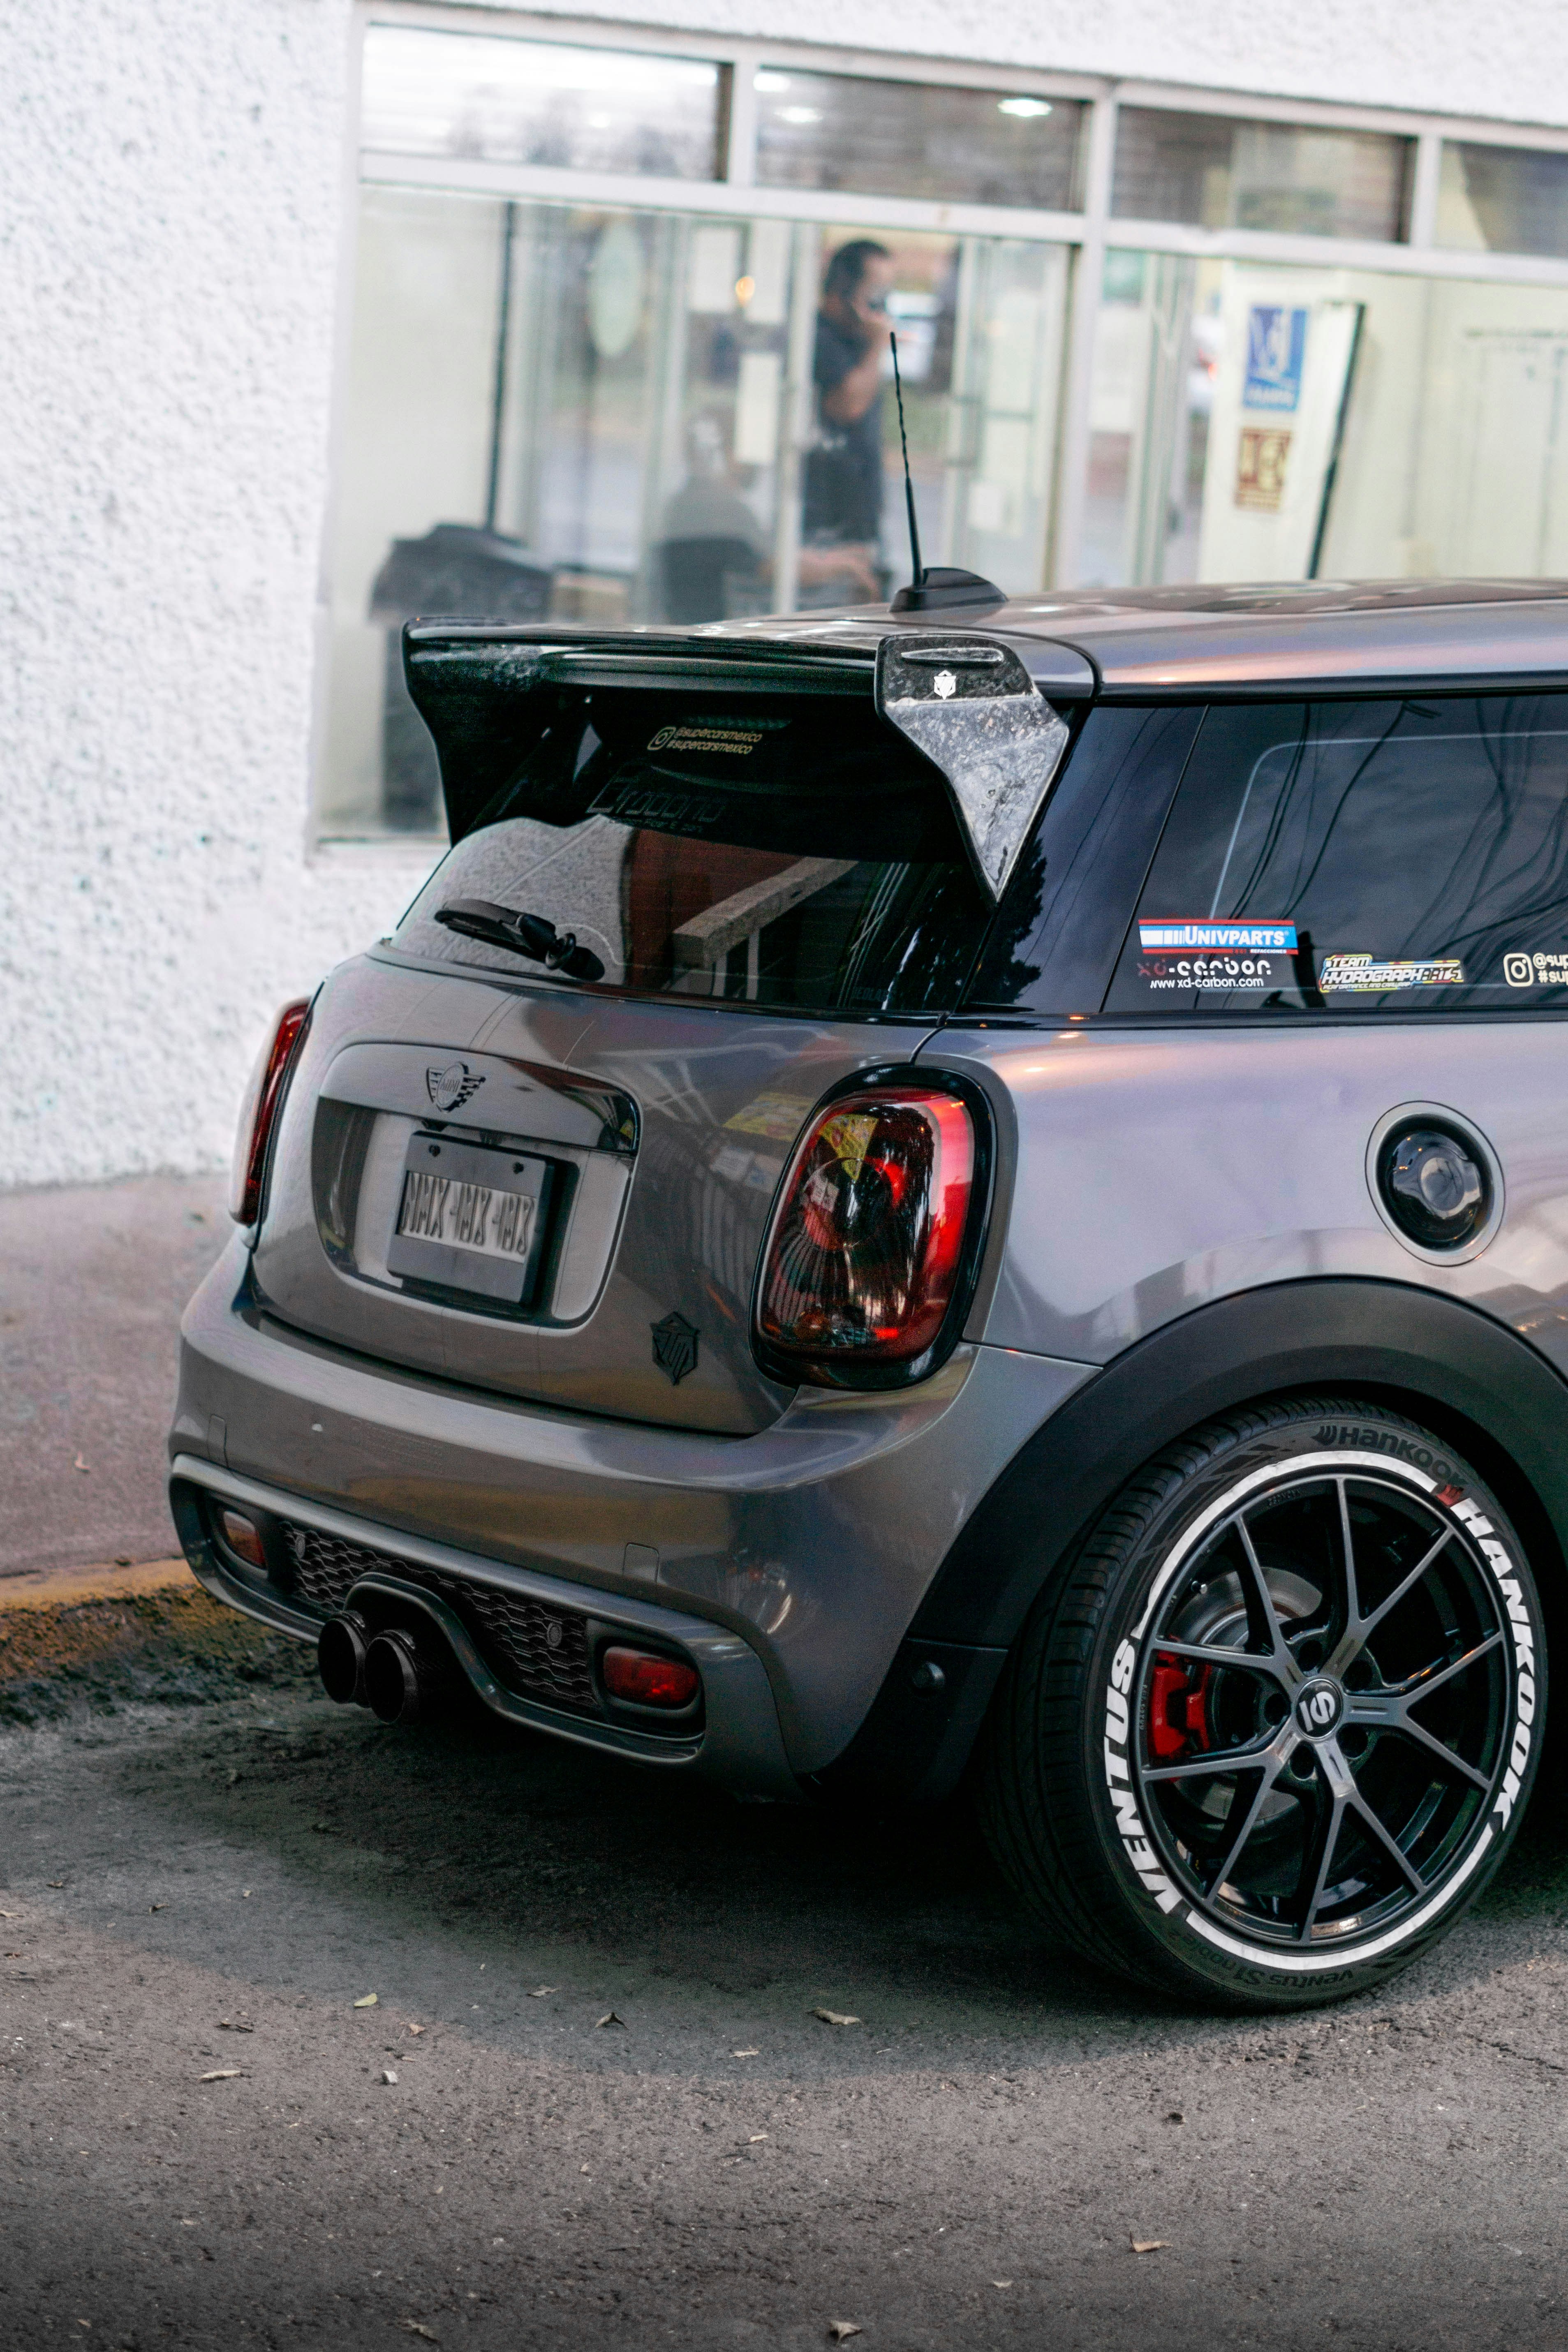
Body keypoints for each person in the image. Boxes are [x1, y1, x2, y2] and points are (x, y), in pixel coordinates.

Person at [804, 239, 896, 577]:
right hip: (826, 516)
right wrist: (876, 347)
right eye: (875, 291)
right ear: (846, 288)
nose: (881, 303)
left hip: (861, 512)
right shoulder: (818, 337)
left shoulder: (857, 338)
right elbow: (848, 406)